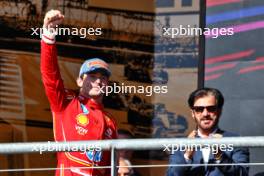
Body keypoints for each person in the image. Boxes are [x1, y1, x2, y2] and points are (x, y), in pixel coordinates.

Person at [41, 10, 117, 176]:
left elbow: (112, 168)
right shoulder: (67, 102)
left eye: (103, 77)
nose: (98, 81)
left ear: (107, 84)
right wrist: (48, 36)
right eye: (92, 76)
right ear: (79, 81)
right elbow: (50, 76)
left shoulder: (110, 121)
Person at [167, 87, 249, 176]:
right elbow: (171, 174)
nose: (205, 114)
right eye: (199, 109)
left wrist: (220, 157)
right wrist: (187, 156)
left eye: (211, 108)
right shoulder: (180, 144)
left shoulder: (237, 141)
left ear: (219, 111)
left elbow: (242, 174)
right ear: (193, 113)